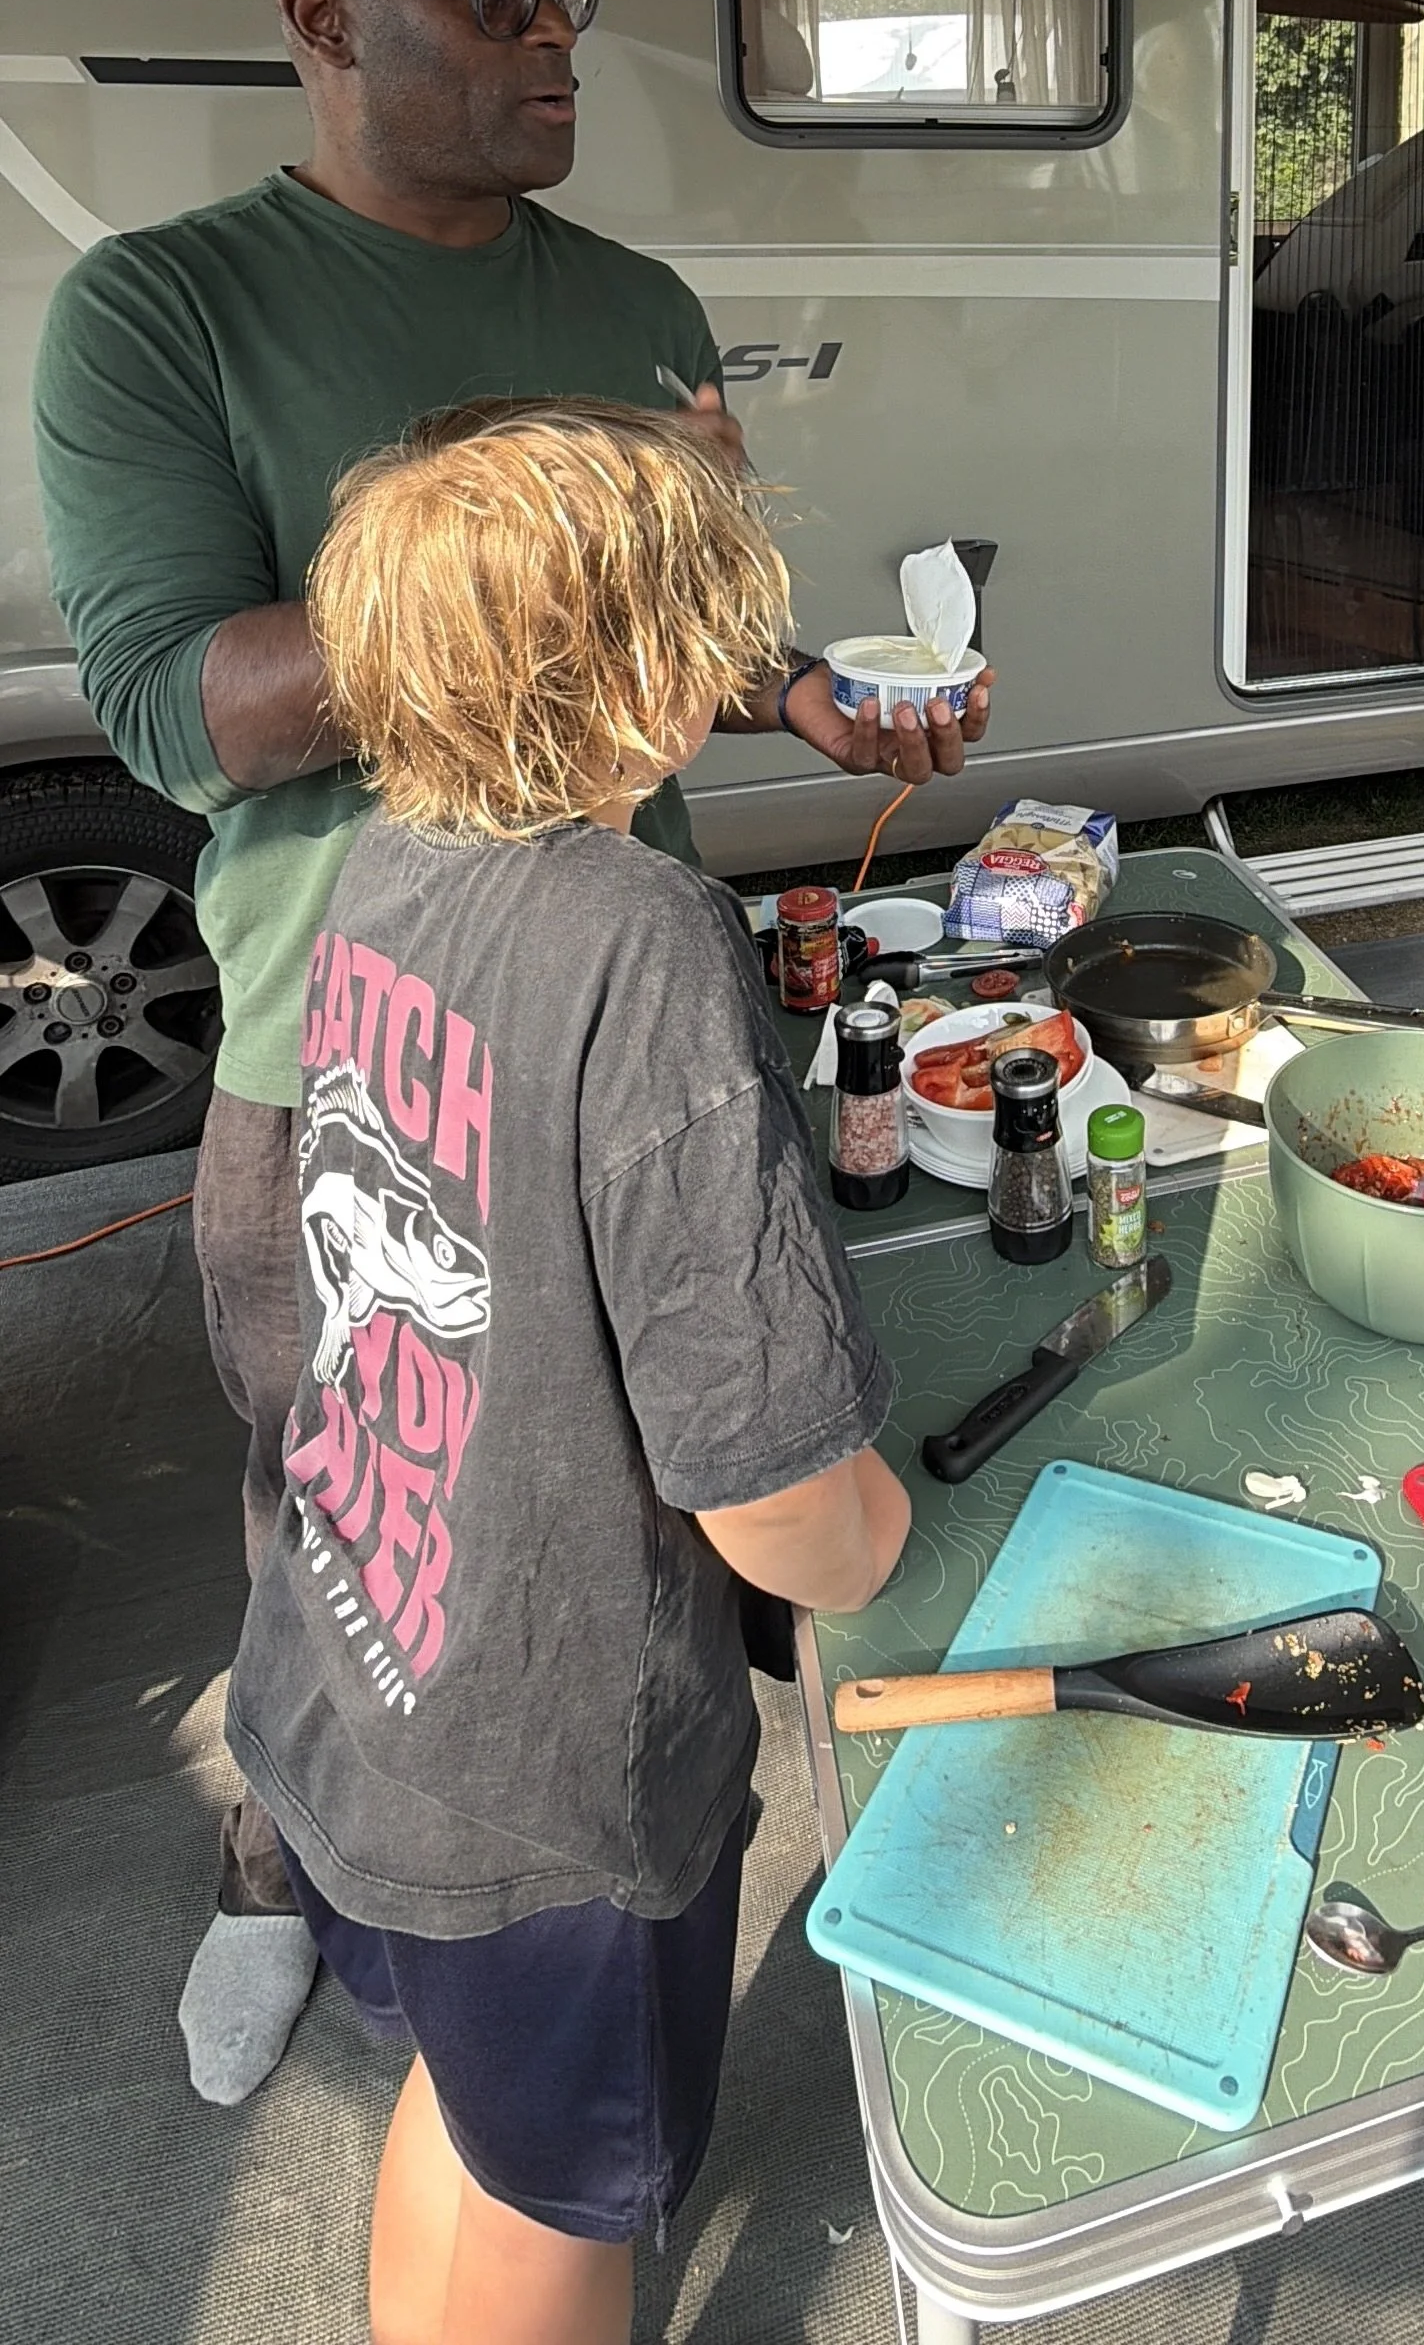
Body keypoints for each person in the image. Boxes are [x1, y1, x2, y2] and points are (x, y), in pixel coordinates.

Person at [30, 0, 988, 2106]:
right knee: (346, 1506)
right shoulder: (158, 311)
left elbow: (706, 624)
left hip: (619, 1012)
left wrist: (800, 694)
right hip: (333, 1042)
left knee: (644, 1498)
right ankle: (297, 1862)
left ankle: (630, 1834)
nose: (555, 29)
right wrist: (525, 575)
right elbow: (180, 710)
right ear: (319, 11)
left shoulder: (629, 305)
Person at [226, 398, 909, 2345]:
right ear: (651, 679)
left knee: (472, 2116)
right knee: (563, 2214)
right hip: (544, 1774)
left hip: (360, 1668)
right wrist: (867, 1546)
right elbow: (768, 1480)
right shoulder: (641, 935)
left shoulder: (377, 859)